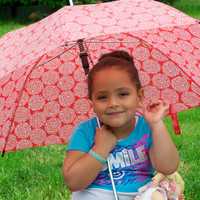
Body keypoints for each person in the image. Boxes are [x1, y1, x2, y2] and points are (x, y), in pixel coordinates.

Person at [63, 50, 180, 200]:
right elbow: (74, 182)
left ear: (139, 96)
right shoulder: (85, 132)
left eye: (123, 94)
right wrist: (100, 149)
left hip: (141, 193)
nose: (113, 103)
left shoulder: (146, 126)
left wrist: (157, 125)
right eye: (102, 97)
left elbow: (168, 167)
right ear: (92, 103)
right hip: (96, 194)